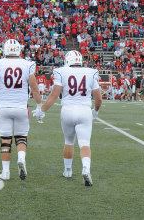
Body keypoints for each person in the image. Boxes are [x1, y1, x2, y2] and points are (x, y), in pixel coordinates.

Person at [0, 39, 43, 181]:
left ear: (5, 49)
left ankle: (6, 172)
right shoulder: (27, 64)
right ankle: (21, 159)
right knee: (21, 137)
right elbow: (35, 88)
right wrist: (39, 105)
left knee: (5, 140)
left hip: (4, 107)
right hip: (21, 107)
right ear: (18, 49)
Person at [41, 51, 102, 186]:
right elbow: (98, 98)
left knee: (69, 141)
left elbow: (54, 95)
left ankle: (67, 170)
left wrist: (42, 110)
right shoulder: (91, 72)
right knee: (84, 143)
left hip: (67, 110)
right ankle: (86, 168)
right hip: (85, 110)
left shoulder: (61, 71)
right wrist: (96, 111)